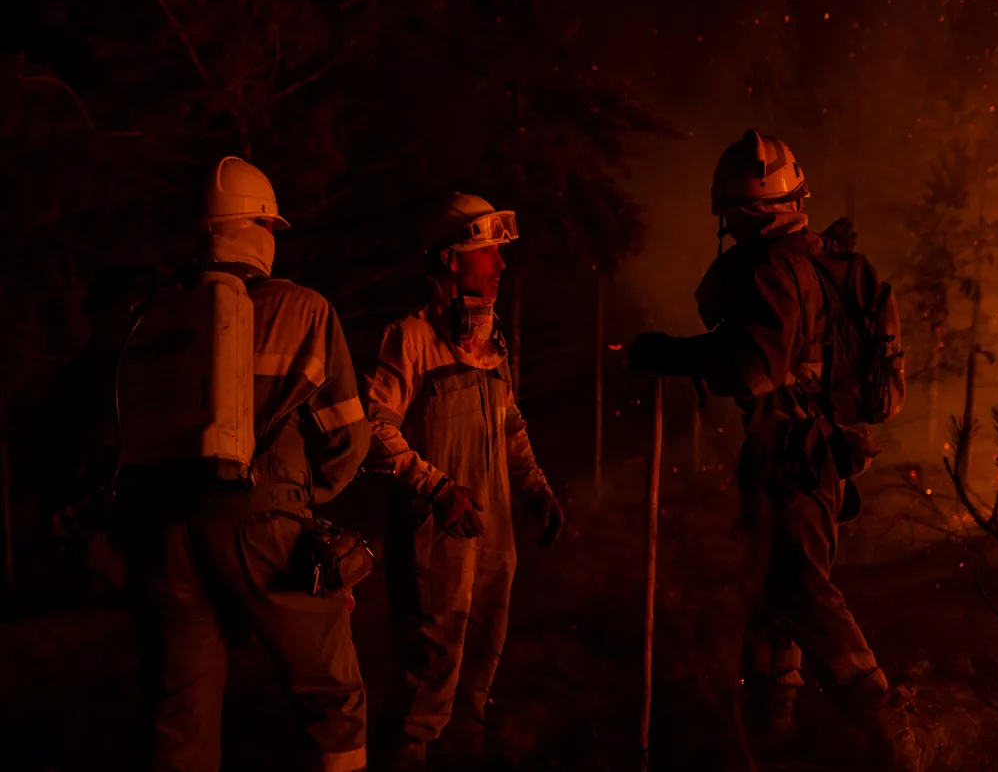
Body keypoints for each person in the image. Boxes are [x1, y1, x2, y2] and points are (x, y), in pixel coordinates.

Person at [628, 131, 919, 770]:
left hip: (792, 455)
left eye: (730, 215)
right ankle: (770, 733)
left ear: (741, 212)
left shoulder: (773, 269)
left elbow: (755, 371)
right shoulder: (815, 259)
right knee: (769, 591)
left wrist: (669, 355)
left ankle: (883, 725)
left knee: (801, 591)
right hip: (814, 452)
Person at [120, 156, 371, 772]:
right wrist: (305, 501)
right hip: (263, 525)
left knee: (180, 717)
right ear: (256, 229)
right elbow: (348, 440)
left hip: (165, 533)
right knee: (332, 697)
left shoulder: (151, 321)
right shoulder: (303, 309)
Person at [363, 192, 564, 770]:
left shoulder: (490, 342)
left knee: (476, 686)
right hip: (436, 542)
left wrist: (534, 487)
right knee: (426, 687)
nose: (501, 265)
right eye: (488, 253)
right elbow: (375, 428)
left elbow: (509, 425)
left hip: (494, 535)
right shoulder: (410, 339)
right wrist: (436, 487)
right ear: (451, 259)